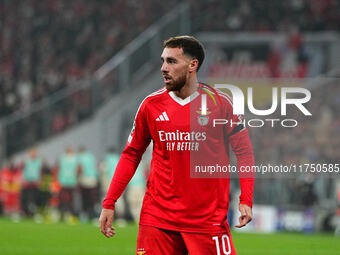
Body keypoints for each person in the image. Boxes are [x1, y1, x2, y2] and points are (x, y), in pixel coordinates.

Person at [99, 35, 255, 255]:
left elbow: (245, 153)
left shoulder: (221, 104)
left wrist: (246, 198)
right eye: (163, 61)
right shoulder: (150, 105)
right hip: (158, 219)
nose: (163, 68)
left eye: (172, 61)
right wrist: (110, 201)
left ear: (193, 65)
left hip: (206, 221)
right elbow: (131, 154)